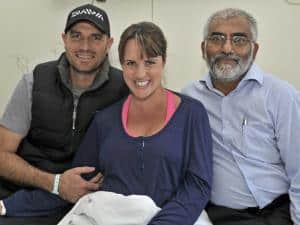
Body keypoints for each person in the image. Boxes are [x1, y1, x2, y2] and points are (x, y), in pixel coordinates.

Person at [0, 21, 213, 225]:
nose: (140, 73)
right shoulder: (106, 120)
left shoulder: (191, 113)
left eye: (150, 62)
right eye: (131, 63)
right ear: (121, 65)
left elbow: (198, 186)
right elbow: (76, 184)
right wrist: (6, 206)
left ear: (164, 61)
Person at [0, 3, 128, 220]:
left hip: (87, 204)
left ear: (109, 43)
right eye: (76, 36)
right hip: (19, 196)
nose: (85, 46)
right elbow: (2, 155)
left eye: (95, 37)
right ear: (64, 39)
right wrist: (56, 183)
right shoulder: (34, 81)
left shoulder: (124, 89)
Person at [182, 7, 300, 225]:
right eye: (217, 39)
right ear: (203, 48)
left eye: (239, 40)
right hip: (217, 215)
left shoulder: (281, 96)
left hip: (276, 213)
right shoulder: (189, 98)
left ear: (254, 50)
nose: (227, 48)